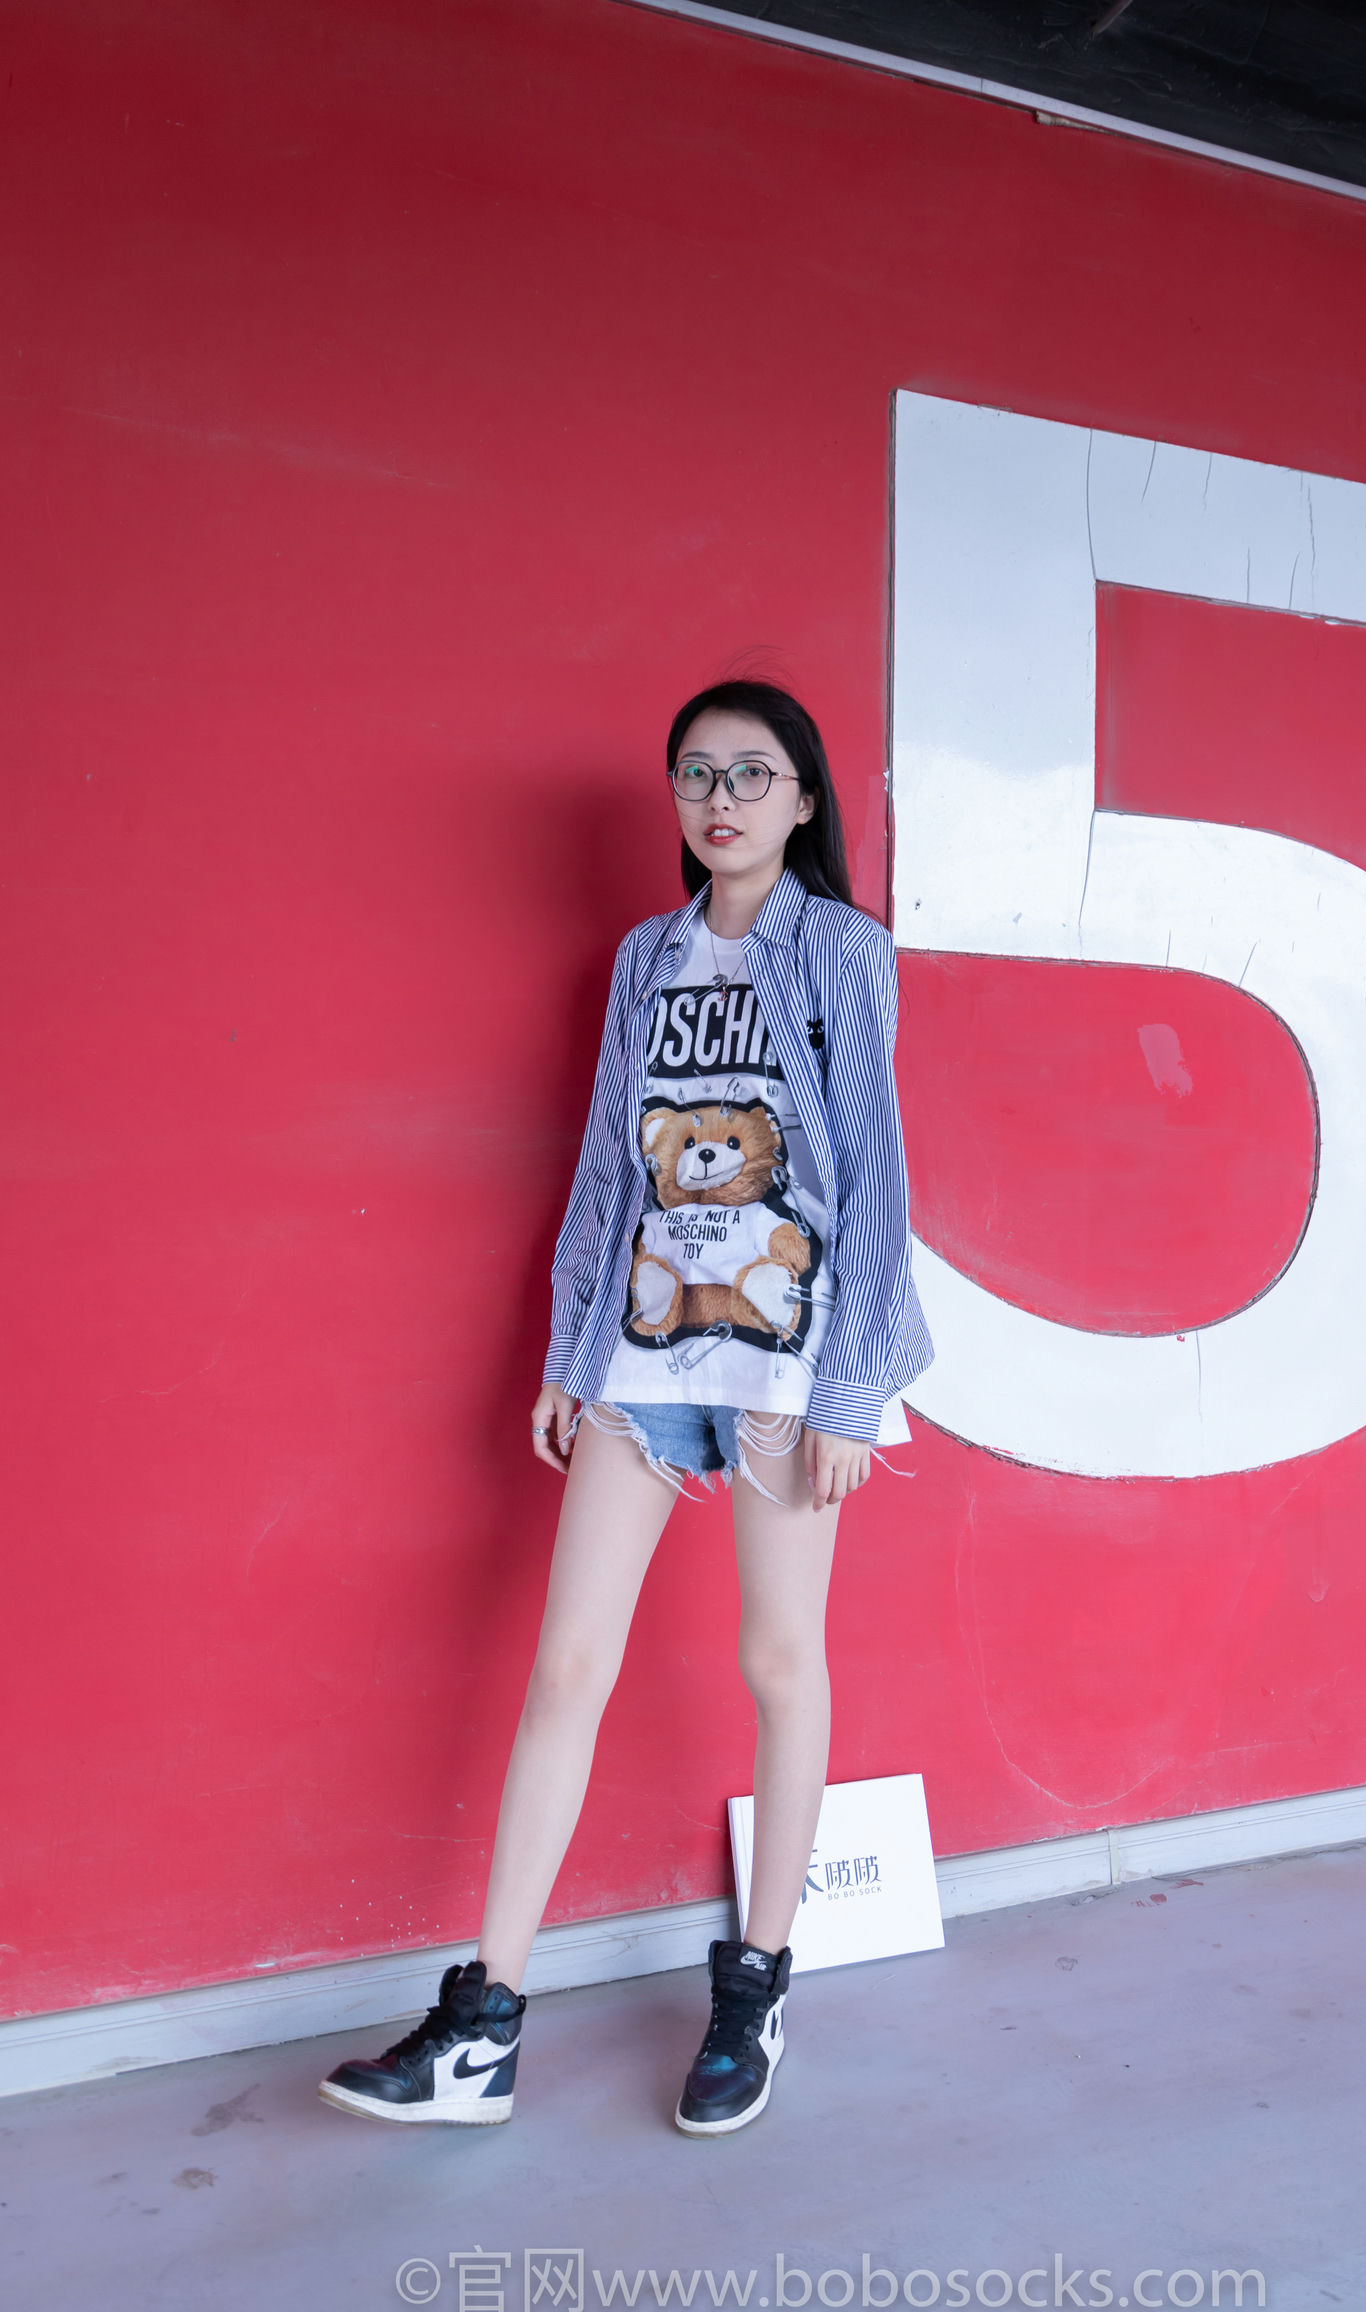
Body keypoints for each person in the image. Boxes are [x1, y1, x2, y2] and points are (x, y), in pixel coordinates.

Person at [319, 680, 932, 2135]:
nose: (722, 798)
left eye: (753, 773)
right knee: (566, 1667)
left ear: (802, 798)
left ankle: (757, 1985)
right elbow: (608, 1156)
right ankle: (483, 2027)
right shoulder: (646, 957)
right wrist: (570, 1352)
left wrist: (854, 1385)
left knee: (780, 1660)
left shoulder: (842, 950)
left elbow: (875, 1167)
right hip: (646, 1348)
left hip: (787, 1354)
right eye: (697, 773)